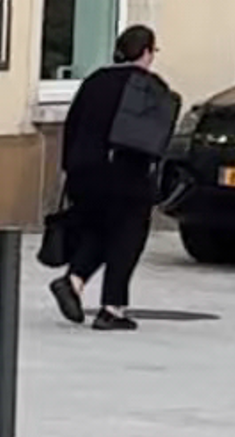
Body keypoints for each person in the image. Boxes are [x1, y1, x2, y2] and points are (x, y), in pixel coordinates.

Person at [45, 22, 179, 325]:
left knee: (98, 230)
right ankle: (112, 308)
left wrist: (70, 168)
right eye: (152, 51)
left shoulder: (94, 81)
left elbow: (73, 124)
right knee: (127, 237)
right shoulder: (150, 87)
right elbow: (153, 138)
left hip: (84, 173)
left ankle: (74, 282)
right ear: (145, 52)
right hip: (126, 175)